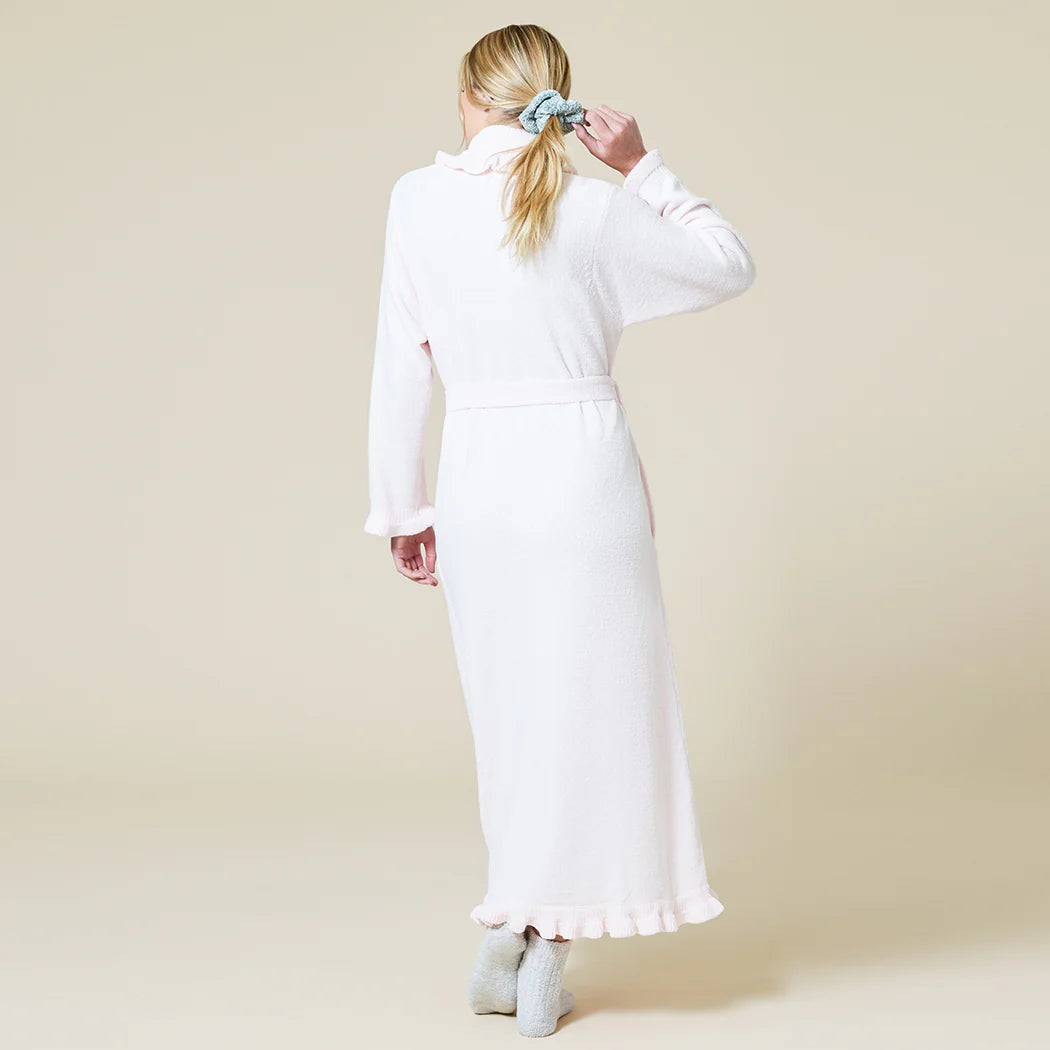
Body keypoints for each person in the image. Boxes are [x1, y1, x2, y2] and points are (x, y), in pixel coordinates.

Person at [363, 23, 756, 1038]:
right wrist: (642, 167)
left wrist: (402, 505)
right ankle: (544, 950)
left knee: (512, 714)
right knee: (593, 714)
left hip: (480, 478)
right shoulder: (592, 206)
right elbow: (728, 266)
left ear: (469, 97)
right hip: (585, 478)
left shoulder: (417, 200)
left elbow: (401, 360)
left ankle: (515, 924)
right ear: (557, 99)